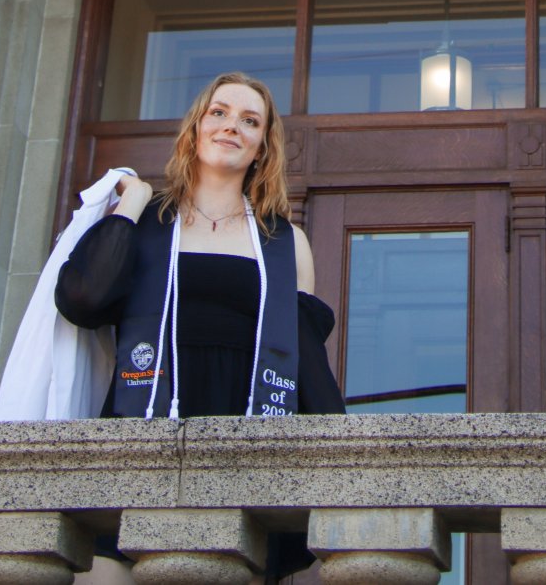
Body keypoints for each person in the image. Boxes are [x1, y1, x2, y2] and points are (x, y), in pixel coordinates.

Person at [54, 71, 345, 420]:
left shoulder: (285, 242)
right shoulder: (144, 224)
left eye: (249, 121)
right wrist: (132, 204)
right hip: (144, 422)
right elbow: (83, 300)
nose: (232, 126)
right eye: (219, 113)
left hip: (248, 427)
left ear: (262, 148)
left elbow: (304, 358)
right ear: (195, 130)